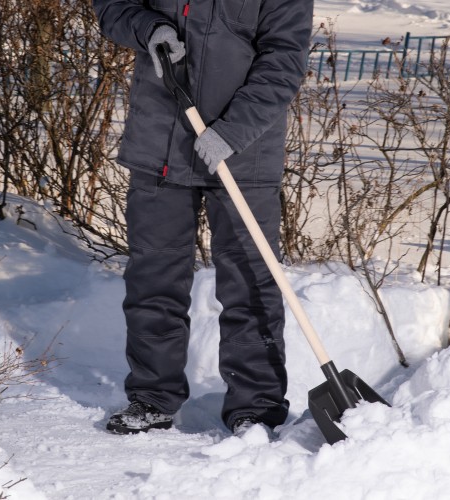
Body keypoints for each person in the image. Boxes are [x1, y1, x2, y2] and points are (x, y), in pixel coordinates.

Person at [92, 0, 314, 435]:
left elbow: (285, 58)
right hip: (160, 144)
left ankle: (257, 406)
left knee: (252, 284)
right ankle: (152, 397)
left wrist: (231, 131)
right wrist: (148, 26)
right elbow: (112, 7)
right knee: (153, 281)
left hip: (244, 156)